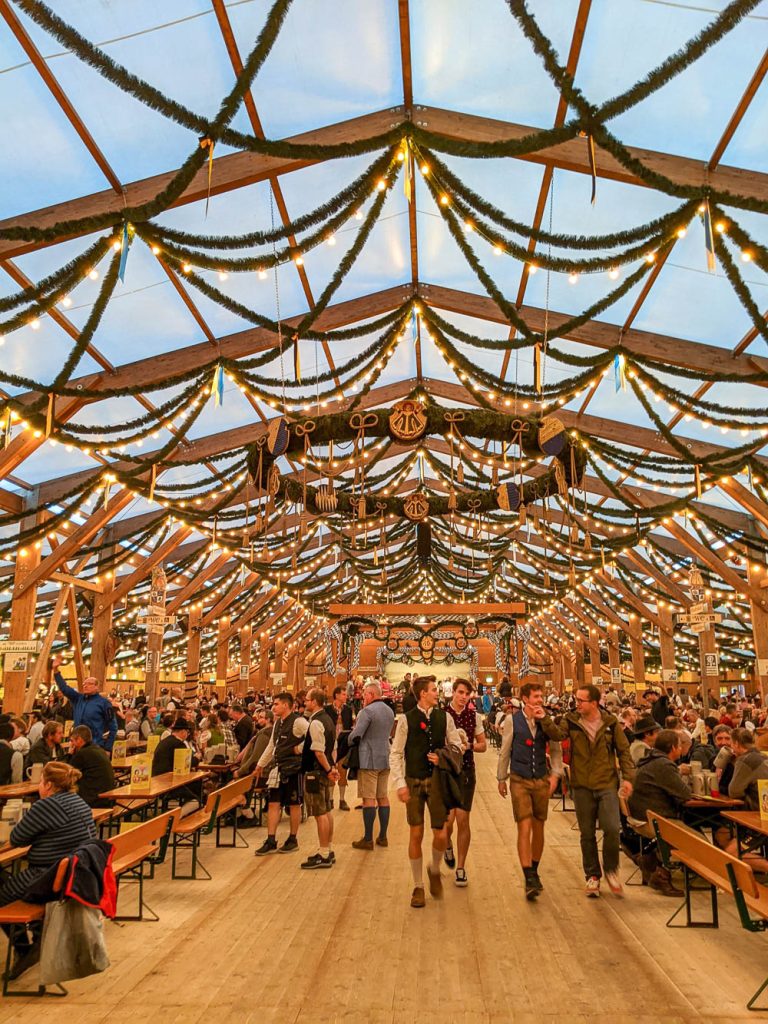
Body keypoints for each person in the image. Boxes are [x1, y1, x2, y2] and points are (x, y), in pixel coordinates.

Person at [0, 761, 96, 979]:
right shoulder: (77, 801)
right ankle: (36, 936)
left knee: (3, 895)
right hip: (72, 877)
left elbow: (17, 838)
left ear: (49, 784)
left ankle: (25, 948)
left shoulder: (47, 806)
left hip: (45, 878)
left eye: (41, 781)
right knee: (4, 879)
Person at [541, 684, 635, 898]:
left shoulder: (611, 723)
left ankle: (611, 869)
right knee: (587, 833)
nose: (577, 703)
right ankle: (592, 876)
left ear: (594, 702)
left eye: (581, 700)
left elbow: (624, 751)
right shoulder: (571, 720)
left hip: (607, 784)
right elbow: (556, 735)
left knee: (612, 828)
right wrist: (544, 717)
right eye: (576, 699)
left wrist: (628, 778)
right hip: (582, 785)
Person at [390, 676, 462, 908]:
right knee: (416, 834)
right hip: (413, 780)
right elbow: (396, 753)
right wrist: (400, 782)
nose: (436, 693)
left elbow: (457, 745)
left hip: (438, 780)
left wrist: (442, 755)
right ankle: (418, 885)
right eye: (433, 690)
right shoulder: (406, 720)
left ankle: (434, 868)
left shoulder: (445, 717)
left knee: (441, 834)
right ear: (423, 694)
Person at [497, 681, 563, 899]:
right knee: (524, 826)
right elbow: (505, 750)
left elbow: (555, 749)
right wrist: (501, 778)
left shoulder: (547, 721)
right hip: (519, 779)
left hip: (541, 779)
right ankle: (528, 875)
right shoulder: (512, 721)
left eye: (540, 696)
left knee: (539, 826)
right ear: (525, 699)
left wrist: (555, 774)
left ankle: (534, 869)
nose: (539, 700)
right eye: (535, 696)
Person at [627, 729, 689, 896]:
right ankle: (661, 873)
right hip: (654, 819)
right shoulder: (664, 765)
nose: (681, 748)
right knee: (700, 844)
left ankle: (650, 859)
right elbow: (685, 794)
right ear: (673, 748)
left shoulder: (650, 759)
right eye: (680, 745)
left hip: (641, 815)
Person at [444, 678, 487, 886]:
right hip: (446, 772)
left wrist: (467, 745)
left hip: (467, 771)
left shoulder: (474, 716)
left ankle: (461, 867)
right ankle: (447, 845)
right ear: (453, 692)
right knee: (447, 822)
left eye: (467, 694)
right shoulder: (442, 715)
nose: (463, 697)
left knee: (463, 819)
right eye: (460, 692)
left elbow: (483, 745)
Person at [254, 692, 309, 856]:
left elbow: (314, 736)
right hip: (278, 769)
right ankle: (271, 840)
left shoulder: (298, 721)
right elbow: (272, 746)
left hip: (294, 770)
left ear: (286, 705)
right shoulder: (277, 723)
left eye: (276, 704)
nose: (273, 707)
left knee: (293, 804)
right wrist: (260, 765)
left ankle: (293, 839)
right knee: (273, 803)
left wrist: (298, 749)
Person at [348, 681, 395, 850]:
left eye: (366, 694)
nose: (363, 697)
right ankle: (383, 836)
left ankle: (368, 838)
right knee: (383, 796)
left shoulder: (366, 712)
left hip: (368, 759)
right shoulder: (389, 711)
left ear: (372, 695)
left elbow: (357, 735)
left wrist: (347, 737)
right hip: (385, 757)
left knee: (368, 798)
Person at [299, 689, 339, 870]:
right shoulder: (329, 719)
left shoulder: (315, 722)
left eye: (307, 700)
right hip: (326, 769)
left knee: (319, 813)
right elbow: (333, 747)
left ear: (314, 702)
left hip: (316, 772)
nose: (305, 703)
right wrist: (333, 766)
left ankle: (323, 853)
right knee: (327, 810)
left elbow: (318, 751)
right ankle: (327, 849)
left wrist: (329, 768)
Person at [51, 654, 117, 751]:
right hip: (76, 746)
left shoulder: (104, 703)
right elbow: (64, 688)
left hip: (95, 746)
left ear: (96, 687)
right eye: (84, 684)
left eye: (89, 684)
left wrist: (107, 748)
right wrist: (56, 670)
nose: (85, 686)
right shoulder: (78, 698)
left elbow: (113, 727)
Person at [152, 719, 199, 816]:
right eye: (187, 732)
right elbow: (187, 763)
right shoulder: (178, 744)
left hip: (156, 779)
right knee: (195, 800)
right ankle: (176, 817)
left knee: (195, 785)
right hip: (169, 782)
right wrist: (197, 758)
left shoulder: (165, 741)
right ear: (183, 732)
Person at [68, 724, 115, 807]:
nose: (71, 744)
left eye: (72, 741)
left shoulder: (82, 753)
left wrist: (69, 754)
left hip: (95, 800)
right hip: (107, 798)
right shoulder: (99, 749)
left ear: (79, 739)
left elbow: (67, 773)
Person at [326, 686, 354, 811]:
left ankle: (342, 800)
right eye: (343, 694)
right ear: (336, 695)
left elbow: (351, 725)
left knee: (343, 772)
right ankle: (330, 799)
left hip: (343, 745)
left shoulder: (348, 709)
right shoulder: (327, 709)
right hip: (330, 746)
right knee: (331, 771)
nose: (345, 696)